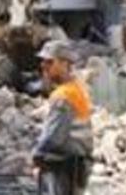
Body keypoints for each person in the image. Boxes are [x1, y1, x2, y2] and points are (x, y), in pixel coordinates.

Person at [33, 40, 94, 195]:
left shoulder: (64, 96)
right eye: (43, 62)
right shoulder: (75, 89)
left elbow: (53, 138)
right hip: (74, 167)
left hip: (63, 169)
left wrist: (36, 158)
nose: (43, 66)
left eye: (49, 62)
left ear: (64, 64)